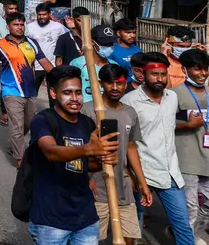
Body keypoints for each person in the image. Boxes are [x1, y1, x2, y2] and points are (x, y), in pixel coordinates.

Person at [28, 66, 119, 244]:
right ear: (53, 93)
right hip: (51, 220)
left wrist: (104, 161)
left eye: (78, 92)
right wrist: (88, 149)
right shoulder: (43, 120)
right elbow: (51, 152)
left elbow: (87, 164)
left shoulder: (87, 123)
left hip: (85, 218)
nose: (75, 99)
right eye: (67, 93)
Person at [122, 52, 196, 245]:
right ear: (143, 74)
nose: (160, 79)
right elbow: (125, 142)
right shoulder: (129, 102)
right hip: (140, 172)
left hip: (169, 171)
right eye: (155, 74)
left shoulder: (172, 97)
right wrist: (129, 174)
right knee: (133, 227)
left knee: (183, 225)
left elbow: (169, 125)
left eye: (164, 74)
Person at [81, 64, 152, 245]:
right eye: (109, 83)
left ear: (125, 84)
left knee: (129, 238)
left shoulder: (129, 112)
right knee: (95, 239)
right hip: (96, 188)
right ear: (100, 84)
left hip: (124, 188)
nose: (115, 88)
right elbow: (79, 150)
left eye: (119, 83)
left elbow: (130, 147)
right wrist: (84, 179)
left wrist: (143, 183)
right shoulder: (88, 111)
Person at [0, 12, 53, 167]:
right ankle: (21, 159)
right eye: (16, 24)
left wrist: (60, 77)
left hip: (30, 90)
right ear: (8, 27)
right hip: (11, 91)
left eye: (22, 24)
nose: (19, 27)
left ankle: (16, 143)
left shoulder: (32, 43)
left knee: (27, 123)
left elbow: (44, 61)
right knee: (16, 125)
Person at [174, 49, 209, 243]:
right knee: (190, 206)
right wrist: (188, 125)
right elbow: (165, 124)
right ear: (184, 69)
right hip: (186, 158)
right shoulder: (174, 94)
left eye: (205, 69)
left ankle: (190, 233)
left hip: (207, 158)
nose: (203, 73)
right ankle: (187, 239)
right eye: (197, 69)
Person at [70, 25, 118, 103]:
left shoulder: (114, 65)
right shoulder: (77, 64)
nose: (109, 47)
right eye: (105, 44)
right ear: (92, 42)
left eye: (111, 44)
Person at [26, 3, 66, 96]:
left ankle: (53, 110)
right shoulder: (29, 27)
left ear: (49, 14)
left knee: (54, 94)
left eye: (44, 14)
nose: (41, 17)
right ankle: (30, 110)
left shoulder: (58, 27)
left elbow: (66, 40)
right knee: (31, 93)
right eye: (39, 15)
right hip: (35, 66)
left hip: (52, 65)